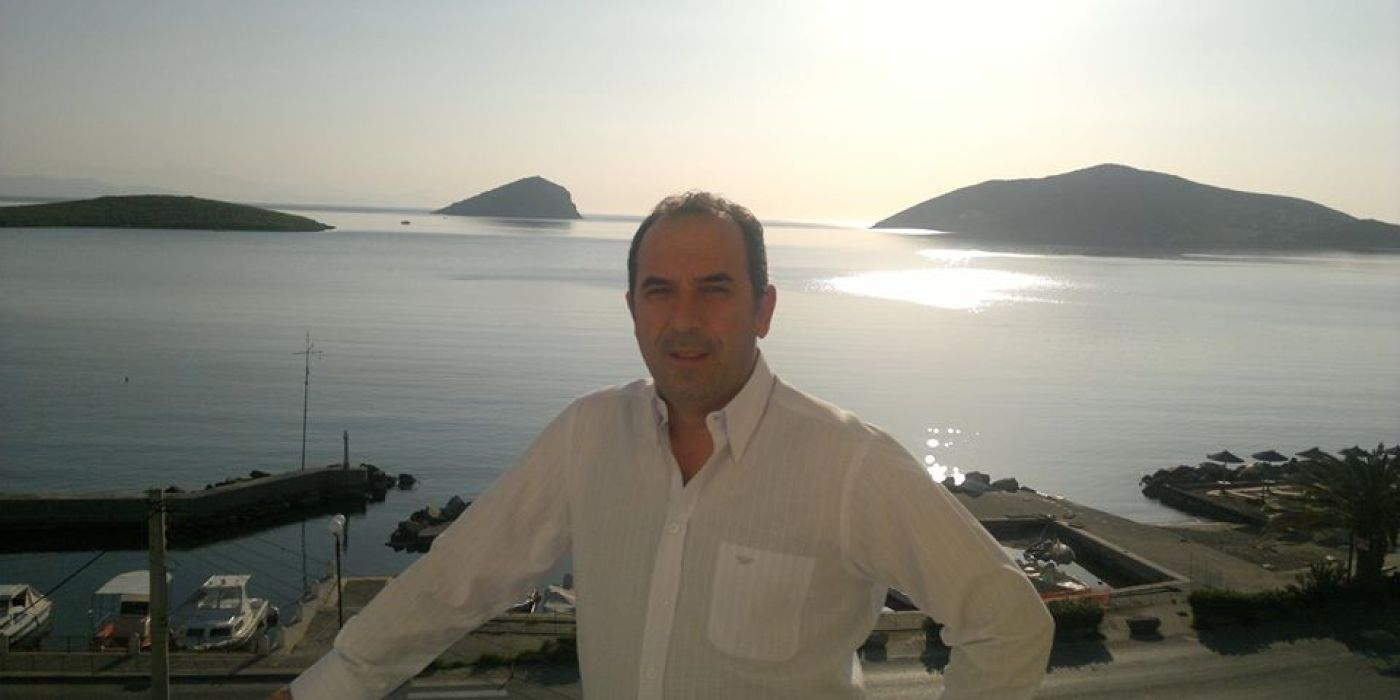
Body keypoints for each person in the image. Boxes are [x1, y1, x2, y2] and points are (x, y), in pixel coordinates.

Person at [281, 192, 1053, 699]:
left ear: (763, 309)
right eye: (660, 291)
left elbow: (1009, 624)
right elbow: (459, 578)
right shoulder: (588, 434)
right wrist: (330, 684)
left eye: (714, 289)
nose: (684, 318)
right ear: (633, 308)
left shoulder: (850, 463)